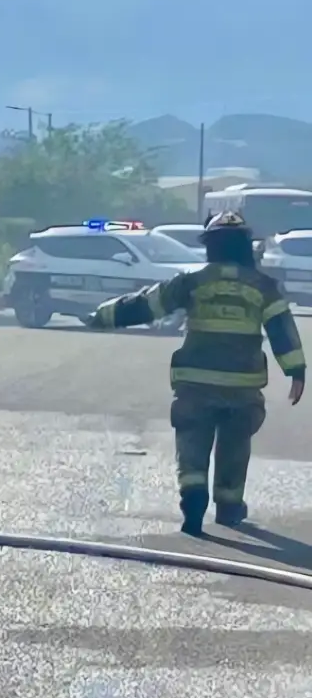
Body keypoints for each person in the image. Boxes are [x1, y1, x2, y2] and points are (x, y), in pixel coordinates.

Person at [85, 211, 305, 535]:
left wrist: (102, 316)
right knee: (235, 444)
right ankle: (229, 507)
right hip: (242, 388)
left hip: (196, 384)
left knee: (192, 440)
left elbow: (147, 304)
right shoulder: (264, 287)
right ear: (246, 246)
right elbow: (281, 330)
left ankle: (193, 500)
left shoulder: (192, 281)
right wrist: (296, 371)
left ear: (210, 246)